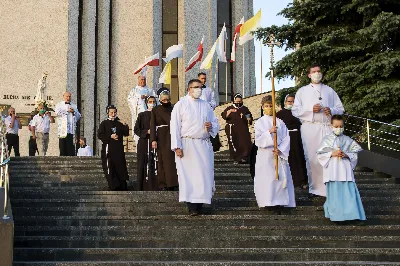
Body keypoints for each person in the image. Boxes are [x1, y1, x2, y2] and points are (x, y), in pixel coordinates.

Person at [292, 64, 344, 197]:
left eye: (319, 71)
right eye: (314, 71)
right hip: (310, 127)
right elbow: (295, 110)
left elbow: (340, 108)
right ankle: (315, 188)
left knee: (329, 157)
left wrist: (331, 110)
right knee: (313, 158)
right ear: (309, 75)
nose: (317, 73)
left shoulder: (329, 90)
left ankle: (330, 187)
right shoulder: (302, 91)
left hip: (327, 127)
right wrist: (311, 110)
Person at [170, 79, 220, 216]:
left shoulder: (206, 106)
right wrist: (177, 146)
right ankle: (192, 206)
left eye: (200, 87)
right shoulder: (181, 105)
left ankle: (200, 204)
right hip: (187, 145)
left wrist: (211, 127)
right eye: (195, 87)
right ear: (189, 89)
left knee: (203, 175)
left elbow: (216, 123)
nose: (198, 89)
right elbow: (174, 127)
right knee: (189, 176)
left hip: (203, 144)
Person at [316, 115, 366, 223]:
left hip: (345, 170)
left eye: (341, 126)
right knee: (335, 194)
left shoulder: (348, 140)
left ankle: (353, 215)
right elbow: (320, 154)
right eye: (336, 126)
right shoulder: (326, 140)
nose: (339, 128)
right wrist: (332, 153)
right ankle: (337, 216)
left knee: (349, 193)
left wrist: (346, 154)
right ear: (331, 126)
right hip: (332, 170)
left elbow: (355, 153)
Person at [254, 95, 296, 215]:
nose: (268, 108)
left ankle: (280, 201)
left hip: (277, 153)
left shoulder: (280, 122)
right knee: (268, 178)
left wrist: (280, 149)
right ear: (262, 107)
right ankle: (268, 201)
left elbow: (286, 137)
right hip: (266, 155)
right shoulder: (259, 122)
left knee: (279, 178)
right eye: (266, 106)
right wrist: (269, 132)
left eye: (271, 106)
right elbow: (258, 140)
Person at [276, 94, 308, 189]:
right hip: (285, 139)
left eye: (293, 101)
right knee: (288, 159)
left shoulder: (300, 113)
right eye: (289, 101)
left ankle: (302, 181)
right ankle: (288, 181)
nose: (291, 103)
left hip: (298, 139)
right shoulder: (279, 114)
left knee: (299, 158)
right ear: (285, 102)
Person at [150, 89, 179, 191]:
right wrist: (153, 139)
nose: (165, 100)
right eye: (164, 99)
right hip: (161, 137)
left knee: (173, 161)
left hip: (173, 135)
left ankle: (174, 182)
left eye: (167, 99)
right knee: (162, 161)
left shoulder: (174, 108)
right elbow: (153, 125)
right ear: (160, 99)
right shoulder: (156, 110)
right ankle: (163, 184)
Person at [98, 105, 130, 191]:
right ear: (108, 113)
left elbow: (126, 133)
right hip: (109, 149)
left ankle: (122, 184)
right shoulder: (104, 123)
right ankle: (113, 184)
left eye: (114, 112)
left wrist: (125, 124)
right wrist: (110, 136)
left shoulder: (119, 123)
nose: (113, 114)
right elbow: (100, 135)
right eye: (111, 112)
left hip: (118, 149)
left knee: (120, 166)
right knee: (110, 166)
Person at [134, 96, 158, 191]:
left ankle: (154, 185)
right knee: (143, 163)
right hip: (144, 142)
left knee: (154, 162)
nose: (152, 103)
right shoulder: (142, 115)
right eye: (150, 101)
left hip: (155, 142)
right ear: (147, 103)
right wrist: (146, 132)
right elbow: (136, 129)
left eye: (153, 101)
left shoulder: (158, 114)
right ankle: (142, 186)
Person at [221, 93, 253, 163]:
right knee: (234, 143)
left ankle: (244, 157)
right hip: (232, 129)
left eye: (240, 102)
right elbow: (224, 116)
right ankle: (236, 158)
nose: (238, 103)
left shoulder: (244, 108)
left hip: (243, 129)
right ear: (234, 101)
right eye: (237, 102)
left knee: (245, 142)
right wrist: (230, 111)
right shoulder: (229, 108)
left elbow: (249, 116)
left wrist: (249, 118)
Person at [127, 75, 157, 147]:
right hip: (139, 114)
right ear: (138, 80)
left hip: (149, 114)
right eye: (141, 79)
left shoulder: (150, 90)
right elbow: (130, 100)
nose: (143, 81)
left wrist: (148, 98)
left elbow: (156, 99)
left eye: (144, 79)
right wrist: (139, 98)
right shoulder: (134, 91)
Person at [198, 72, 221, 152]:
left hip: (207, 113)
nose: (203, 80)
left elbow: (213, 102)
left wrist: (208, 105)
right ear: (198, 79)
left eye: (205, 78)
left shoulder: (208, 90)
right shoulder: (195, 89)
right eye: (202, 78)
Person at [55, 92, 81, 156]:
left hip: (70, 129)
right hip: (62, 129)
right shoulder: (59, 105)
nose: (68, 98)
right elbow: (57, 113)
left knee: (70, 147)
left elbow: (79, 116)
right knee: (62, 146)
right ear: (63, 96)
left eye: (69, 96)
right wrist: (67, 110)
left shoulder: (74, 105)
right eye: (67, 96)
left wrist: (74, 112)